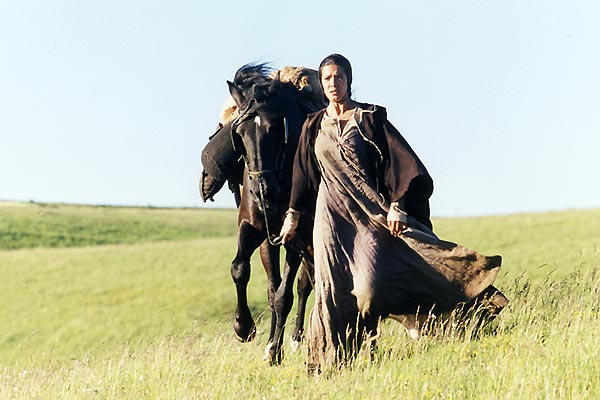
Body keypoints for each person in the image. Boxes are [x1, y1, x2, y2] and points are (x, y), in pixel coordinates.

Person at [279, 54, 507, 372]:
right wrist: (292, 214)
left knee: (368, 288)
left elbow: (401, 163)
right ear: (322, 82)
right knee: (329, 291)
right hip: (330, 218)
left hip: (370, 213)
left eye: (339, 77)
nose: (333, 83)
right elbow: (302, 174)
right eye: (327, 78)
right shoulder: (314, 124)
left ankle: (452, 317)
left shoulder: (370, 118)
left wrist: (397, 206)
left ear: (349, 80)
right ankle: (327, 366)